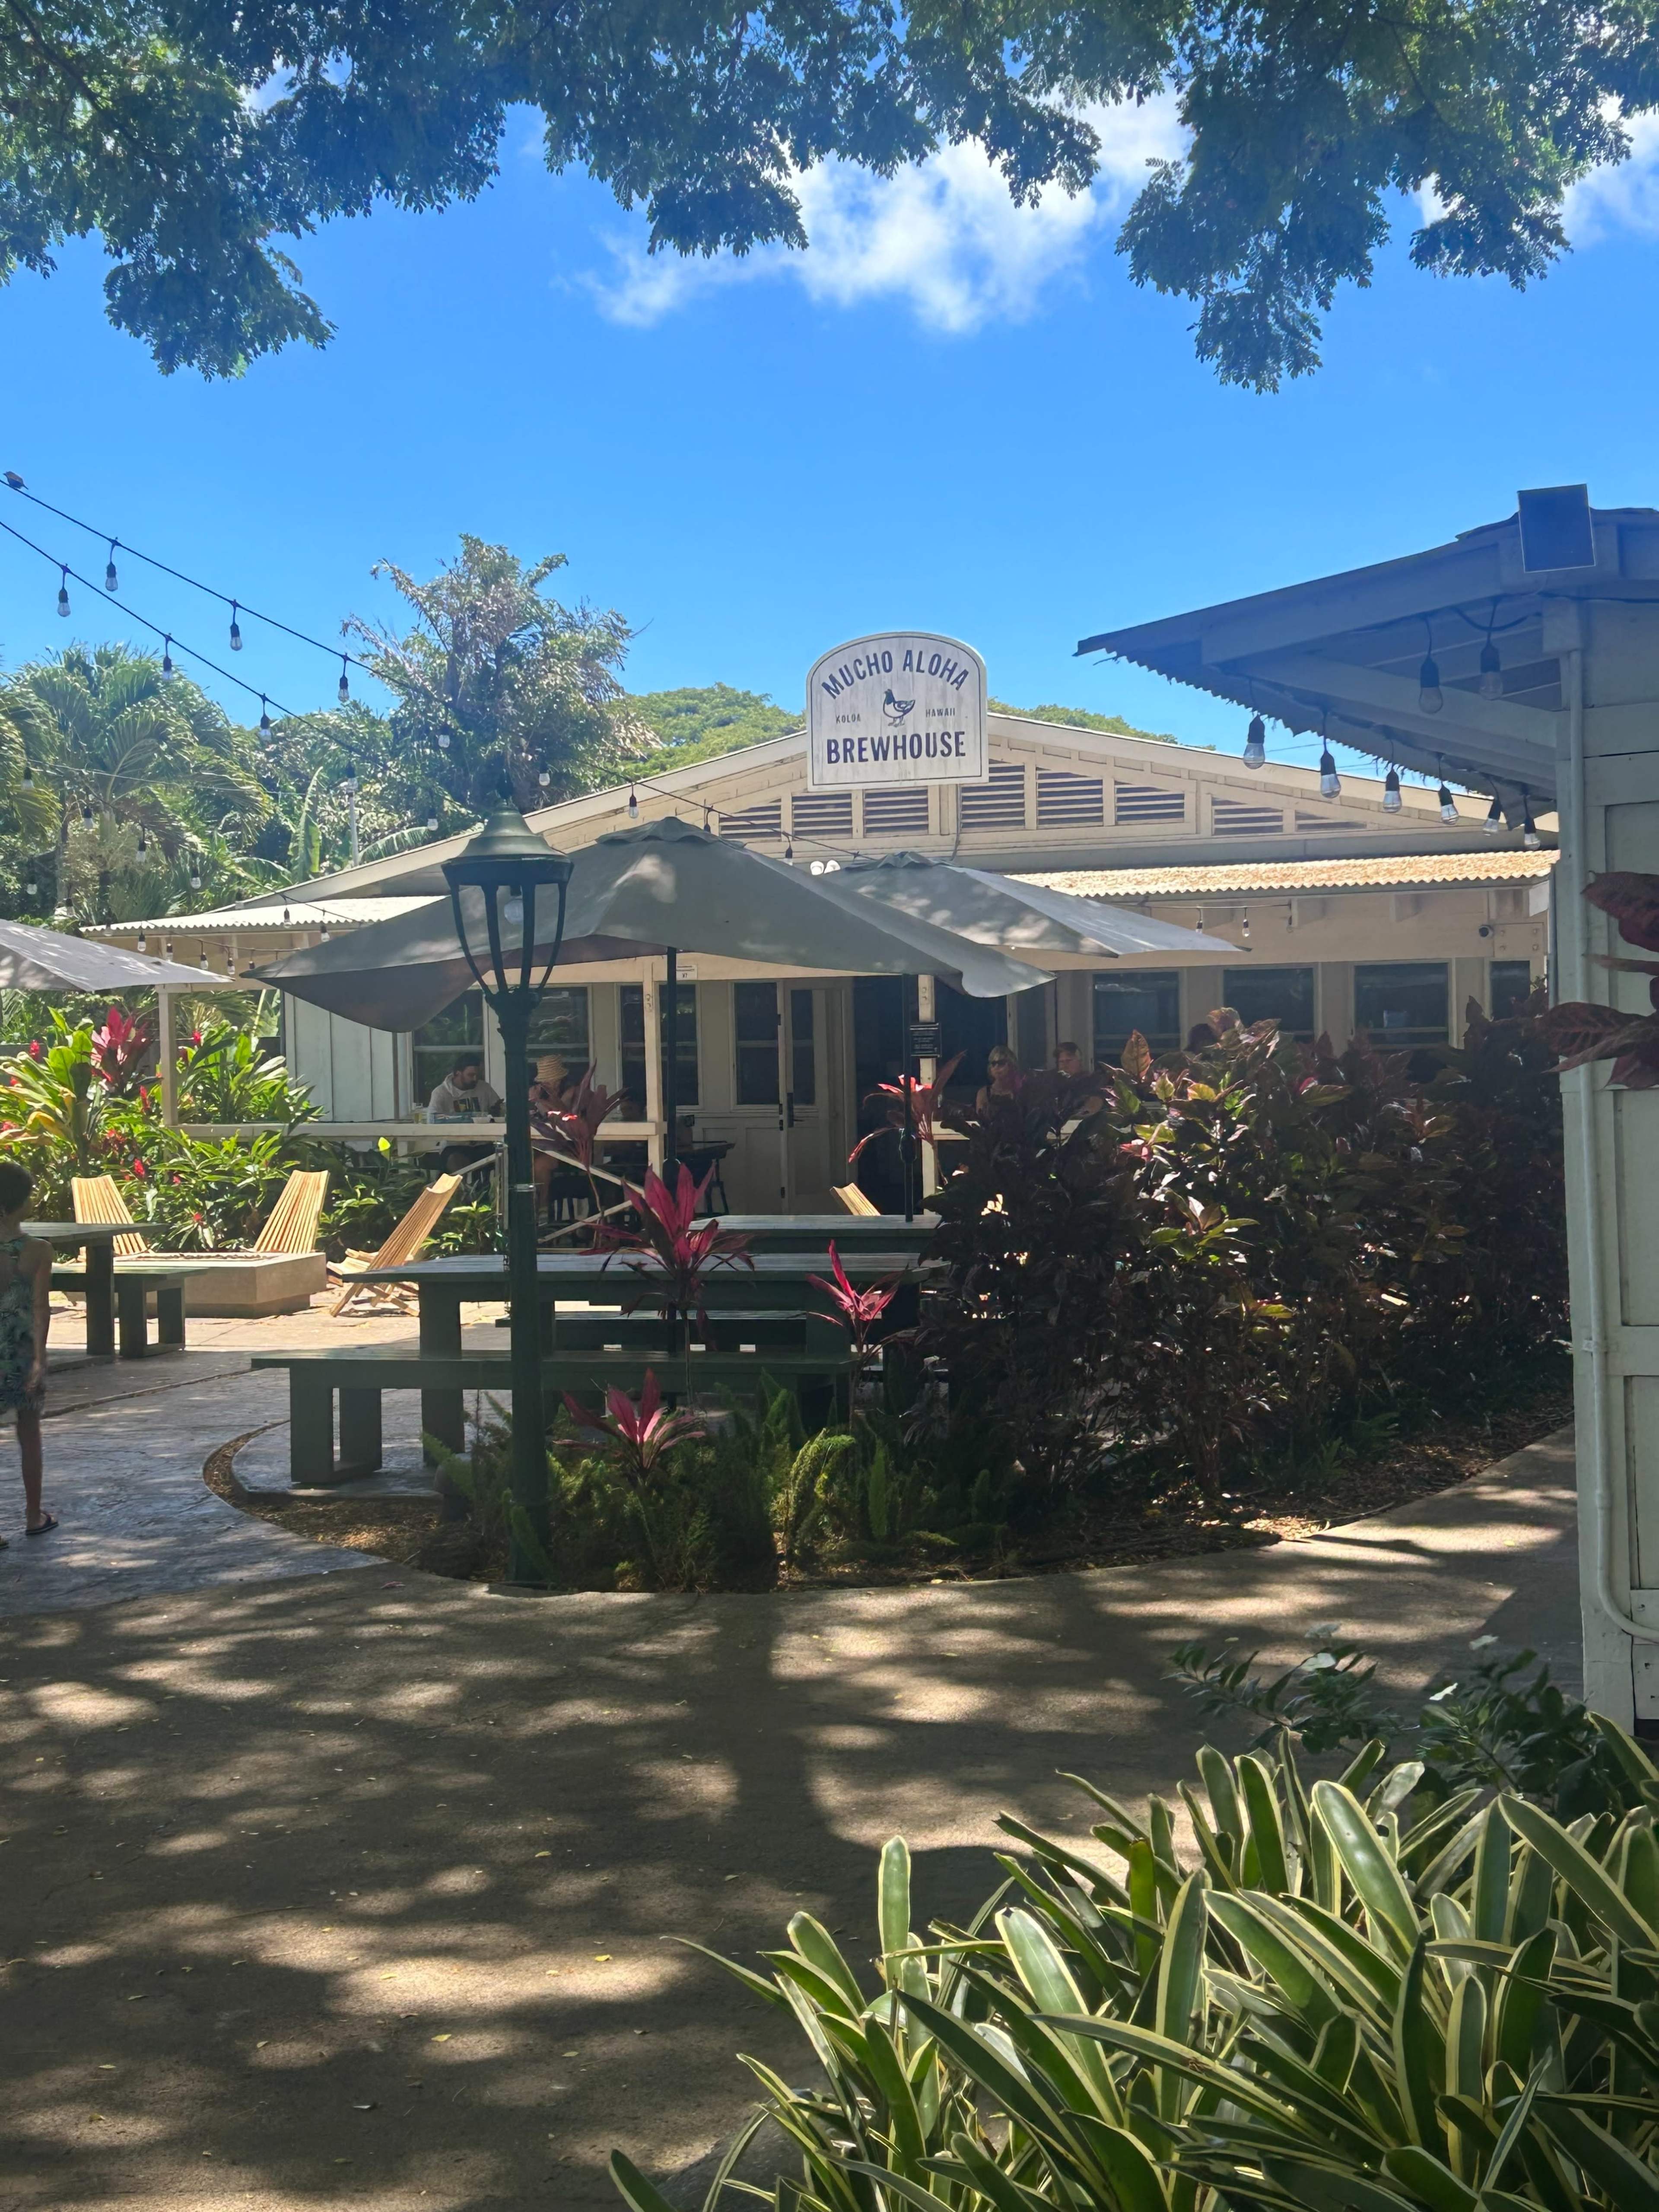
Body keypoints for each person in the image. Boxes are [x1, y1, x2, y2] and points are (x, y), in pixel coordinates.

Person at [0, 1162, 54, 1544]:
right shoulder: (38, 1250)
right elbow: (40, 1307)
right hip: (20, 1350)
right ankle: (33, 1515)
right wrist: (39, 1357)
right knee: (30, 1432)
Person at [426, 1051, 503, 1176]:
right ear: (458, 1073)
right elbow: (433, 1119)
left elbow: (499, 1109)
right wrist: (468, 1118)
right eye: (471, 1075)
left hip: (484, 1144)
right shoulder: (441, 1093)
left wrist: (497, 1111)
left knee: (508, 1158)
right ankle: (465, 1195)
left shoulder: (484, 1087)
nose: (475, 1079)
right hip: (456, 1146)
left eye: (477, 1075)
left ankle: (499, 1194)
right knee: (456, 1163)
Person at [975, 1046, 1021, 1118]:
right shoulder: (984, 1093)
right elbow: (980, 1120)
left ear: (1011, 1066)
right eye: (993, 1064)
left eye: (1001, 1063)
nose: (996, 1067)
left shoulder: (1019, 1092)